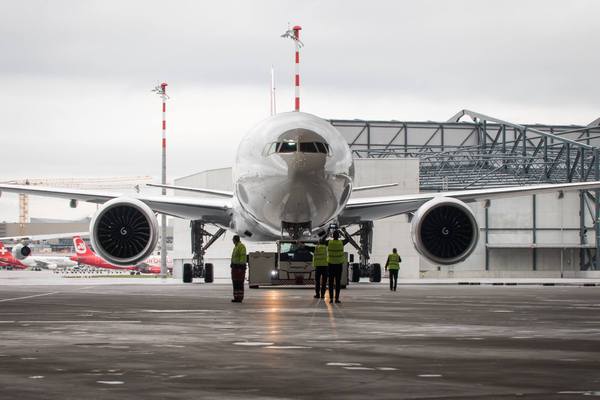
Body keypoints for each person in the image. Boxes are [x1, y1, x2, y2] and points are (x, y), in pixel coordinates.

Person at [327, 230, 345, 304]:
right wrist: (344, 232)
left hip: (331, 265)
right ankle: (337, 299)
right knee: (338, 283)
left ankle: (331, 299)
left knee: (330, 283)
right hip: (338, 265)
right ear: (339, 236)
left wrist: (327, 233)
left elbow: (321, 240)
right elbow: (349, 239)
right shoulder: (341, 243)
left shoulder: (329, 242)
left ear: (332, 236)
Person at [230, 235, 247, 303]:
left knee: (239, 283)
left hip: (239, 268)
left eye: (233, 240)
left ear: (235, 240)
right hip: (235, 268)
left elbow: (242, 257)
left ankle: (239, 298)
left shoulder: (241, 246)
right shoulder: (236, 247)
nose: (232, 241)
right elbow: (235, 257)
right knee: (235, 283)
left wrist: (241, 266)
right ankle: (236, 297)